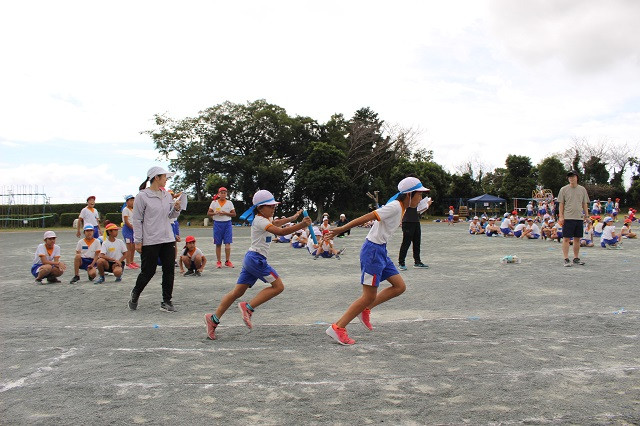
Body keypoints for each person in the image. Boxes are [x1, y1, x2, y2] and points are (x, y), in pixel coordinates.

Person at [324, 177, 429, 345]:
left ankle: (366, 309)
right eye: (420, 195)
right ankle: (338, 327)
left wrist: (423, 205)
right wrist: (342, 229)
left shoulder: (401, 206)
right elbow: (369, 216)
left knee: (399, 286)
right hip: (373, 252)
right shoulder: (395, 207)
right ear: (410, 195)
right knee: (368, 296)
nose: (421, 198)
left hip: (381, 251)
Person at [203, 190, 311, 340]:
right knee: (278, 287)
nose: (273, 209)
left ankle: (213, 318)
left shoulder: (265, 218)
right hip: (256, 260)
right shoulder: (260, 221)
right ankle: (248, 307)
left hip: (251, 259)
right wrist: (301, 225)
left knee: (236, 293)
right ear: (260, 208)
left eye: (274, 206)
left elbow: (277, 222)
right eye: (270, 206)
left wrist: (293, 218)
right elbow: (279, 231)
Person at [128, 166, 182, 312]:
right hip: (150, 240)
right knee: (148, 271)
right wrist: (138, 241)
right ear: (156, 178)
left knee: (169, 270)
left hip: (167, 238)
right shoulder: (142, 196)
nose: (166, 179)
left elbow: (170, 216)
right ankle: (135, 293)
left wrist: (176, 209)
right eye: (164, 176)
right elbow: (137, 219)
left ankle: (166, 300)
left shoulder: (166, 195)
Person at [558, 170, 590, 266]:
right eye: (569, 177)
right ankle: (566, 258)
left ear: (577, 177)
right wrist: (561, 216)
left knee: (577, 239)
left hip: (579, 217)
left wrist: (587, 215)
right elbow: (561, 204)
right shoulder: (563, 189)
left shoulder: (582, 189)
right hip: (568, 217)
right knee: (566, 239)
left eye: (573, 176)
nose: (571, 178)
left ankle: (576, 258)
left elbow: (584, 203)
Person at [398, 184, 430, 270]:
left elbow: (419, 210)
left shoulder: (416, 199)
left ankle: (417, 261)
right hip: (407, 221)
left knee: (417, 242)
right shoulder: (408, 195)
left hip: (415, 221)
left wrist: (427, 205)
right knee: (406, 242)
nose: (420, 197)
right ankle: (401, 262)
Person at [207, 187, 236, 268]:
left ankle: (227, 261)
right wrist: (214, 213)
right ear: (218, 194)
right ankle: (219, 261)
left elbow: (234, 214)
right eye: (221, 193)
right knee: (218, 243)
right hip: (217, 224)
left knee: (228, 244)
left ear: (226, 194)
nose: (223, 194)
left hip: (227, 224)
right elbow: (209, 213)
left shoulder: (229, 203)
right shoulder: (214, 202)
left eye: (225, 193)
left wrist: (225, 213)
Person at [121, 195, 138, 269]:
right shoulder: (125, 209)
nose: (132, 202)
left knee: (133, 246)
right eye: (130, 200)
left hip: (133, 229)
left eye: (133, 200)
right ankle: (127, 263)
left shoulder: (133, 209)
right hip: (127, 229)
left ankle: (131, 261)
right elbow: (126, 221)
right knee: (129, 246)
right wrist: (133, 228)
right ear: (127, 202)